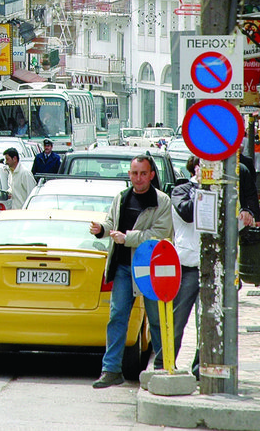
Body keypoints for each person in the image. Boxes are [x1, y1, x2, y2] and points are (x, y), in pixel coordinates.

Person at [90, 155, 174, 388]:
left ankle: (163, 366)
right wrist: (101, 230)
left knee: (156, 319)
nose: (138, 178)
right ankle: (111, 369)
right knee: (117, 317)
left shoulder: (161, 201)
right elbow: (111, 224)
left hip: (151, 269)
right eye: (135, 173)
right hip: (124, 267)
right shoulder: (121, 197)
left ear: (152, 175)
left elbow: (159, 234)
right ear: (129, 175)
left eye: (143, 173)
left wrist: (128, 238)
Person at [164, 155, 201, 376]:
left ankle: (199, 367)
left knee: (206, 324)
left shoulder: (221, 190)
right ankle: (166, 362)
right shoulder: (181, 190)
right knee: (178, 320)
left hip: (210, 267)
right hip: (187, 265)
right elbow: (186, 213)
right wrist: (202, 191)